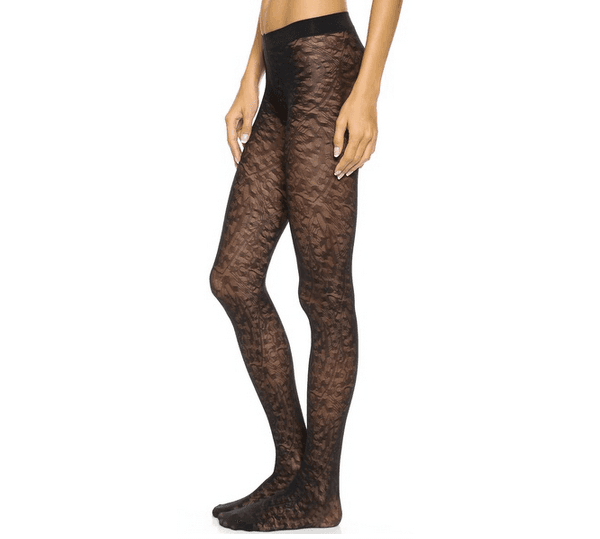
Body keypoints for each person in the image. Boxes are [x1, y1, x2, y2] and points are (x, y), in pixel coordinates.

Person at [209, 0, 402, 531]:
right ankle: (294, 469)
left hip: (325, 66)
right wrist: (250, 76)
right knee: (234, 279)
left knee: (324, 293)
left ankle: (319, 491)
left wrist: (367, 92)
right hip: (279, 70)